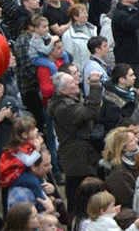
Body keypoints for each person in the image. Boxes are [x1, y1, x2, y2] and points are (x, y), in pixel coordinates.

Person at [48, 70, 103, 210]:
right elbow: (91, 112)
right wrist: (95, 85)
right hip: (78, 160)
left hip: (81, 157)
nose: (77, 82)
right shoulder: (63, 108)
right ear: (63, 90)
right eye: (72, 82)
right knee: (80, 199)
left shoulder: (67, 101)